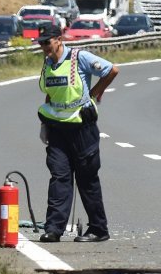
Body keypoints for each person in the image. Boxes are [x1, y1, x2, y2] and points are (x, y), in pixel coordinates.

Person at [36, 23, 119, 243]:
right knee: (59, 178)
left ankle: (99, 229)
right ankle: (54, 229)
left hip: (82, 129)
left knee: (87, 179)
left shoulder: (78, 58)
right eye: (41, 43)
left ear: (59, 39)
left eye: (47, 42)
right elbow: (50, 94)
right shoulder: (47, 64)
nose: (44, 46)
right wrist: (45, 124)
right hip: (57, 130)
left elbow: (112, 69)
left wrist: (95, 93)